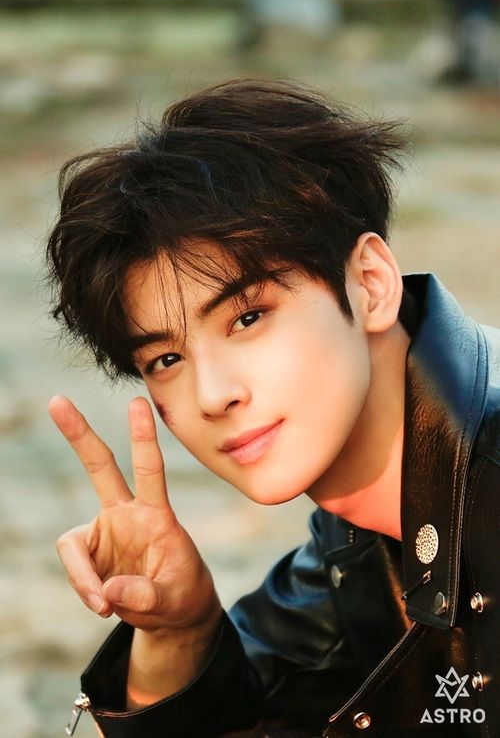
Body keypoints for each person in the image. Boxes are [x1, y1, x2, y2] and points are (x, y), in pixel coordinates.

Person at [45, 79, 500, 737]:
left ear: (370, 284)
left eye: (248, 317)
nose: (212, 395)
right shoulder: (355, 539)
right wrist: (178, 633)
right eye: (165, 359)